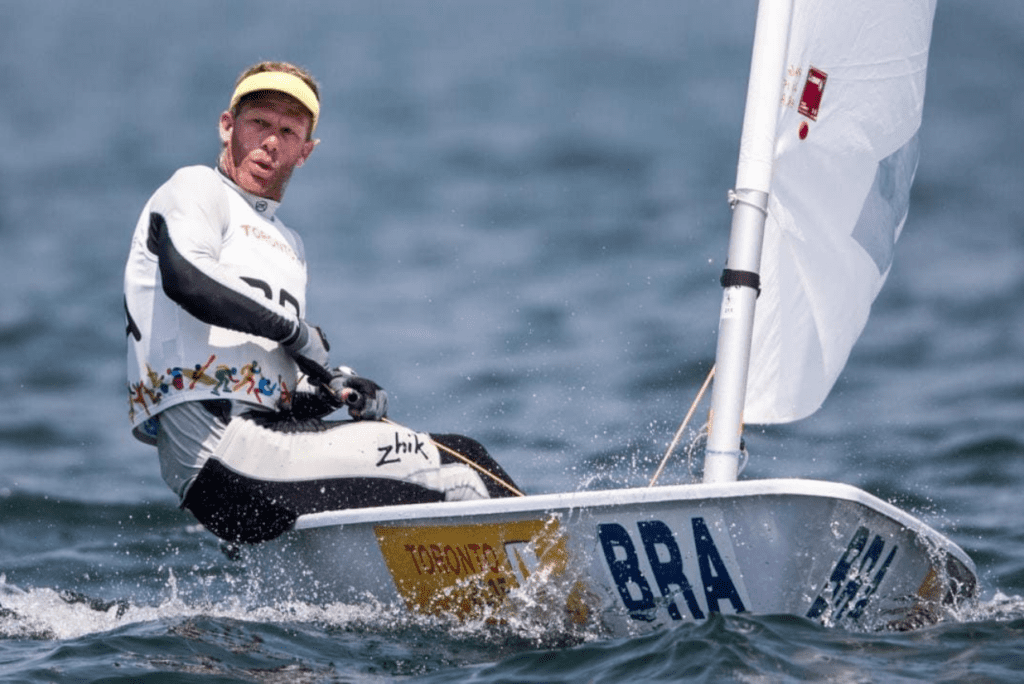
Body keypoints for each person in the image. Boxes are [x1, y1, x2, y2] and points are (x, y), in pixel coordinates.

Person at [124, 61, 519, 544]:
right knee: (458, 471)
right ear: (227, 126)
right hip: (219, 456)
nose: (271, 141)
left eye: (287, 131)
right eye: (259, 123)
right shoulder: (195, 189)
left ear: (305, 152)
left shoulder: (287, 244)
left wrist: (330, 390)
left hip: (263, 454)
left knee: (463, 453)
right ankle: (564, 588)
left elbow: (264, 382)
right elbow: (188, 281)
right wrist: (295, 333)